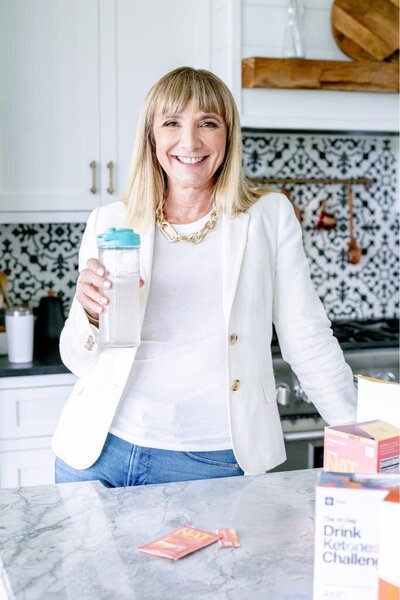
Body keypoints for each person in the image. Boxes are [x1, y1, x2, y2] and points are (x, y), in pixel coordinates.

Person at [52, 66, 356, 487]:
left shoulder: (267, 216)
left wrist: (367, 438)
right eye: (172, 123)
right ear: (152, 137)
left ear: (228, 136)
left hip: (210, 460)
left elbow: (307, 340)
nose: (190, 141)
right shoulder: (112, 222)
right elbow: (77, 359)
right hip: (97, 453)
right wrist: (89, 314)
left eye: (208, 123)